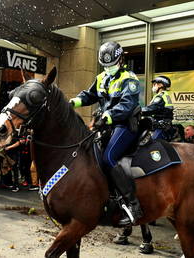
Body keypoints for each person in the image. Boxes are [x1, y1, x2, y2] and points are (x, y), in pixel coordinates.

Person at [69, 41, 142, 226]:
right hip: (106, 126)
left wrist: (108, 116)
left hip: (124, 125)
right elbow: (89, 95)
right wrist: (73, 102)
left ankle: (133, 205)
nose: (108, 68)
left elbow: (127, 105)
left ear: (121, 59)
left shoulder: (129, 78)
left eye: (112, 64)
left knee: (108, 157)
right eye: (105, 65)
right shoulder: (101, 77)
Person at [142, 76, 174, 140]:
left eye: (154, 84)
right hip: (164, 125)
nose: (153, 86)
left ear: (160, 85)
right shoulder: (164, 95)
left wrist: (139, 111)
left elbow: (152, 108)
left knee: (152, 145)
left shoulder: (160, 96)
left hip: (161, 126)